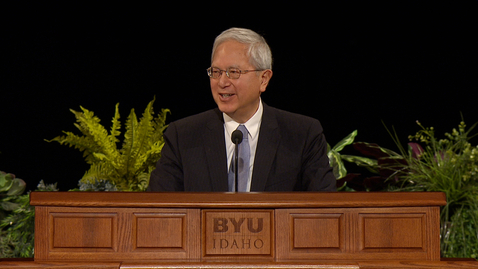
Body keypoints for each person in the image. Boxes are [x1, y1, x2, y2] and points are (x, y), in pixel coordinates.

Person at [148, 28, 336, 192]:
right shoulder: (183, 136)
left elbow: (324, 209)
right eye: (216, 72)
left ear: (264, 79)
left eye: (234, 72)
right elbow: (156, 210)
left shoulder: (302, 135)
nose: (222, 82)